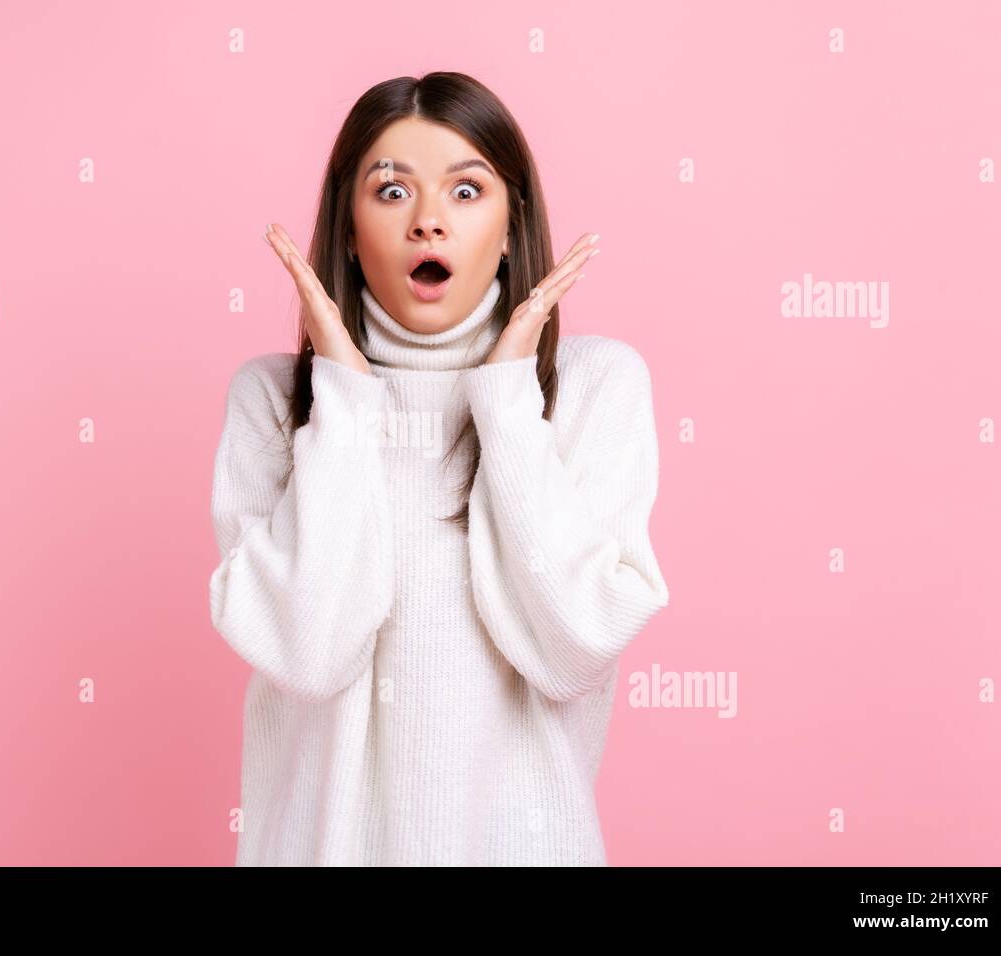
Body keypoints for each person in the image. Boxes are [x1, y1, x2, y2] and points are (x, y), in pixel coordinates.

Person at [208, 71, 670, 866]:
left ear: (510, 220)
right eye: (391, 192)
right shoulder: (274, 402)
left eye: (466, 191)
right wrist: (346, 399)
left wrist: (505, 400)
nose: (428, 222)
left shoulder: (594, 385)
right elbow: (309, 654)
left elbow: (578, 645)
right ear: (348, 229)